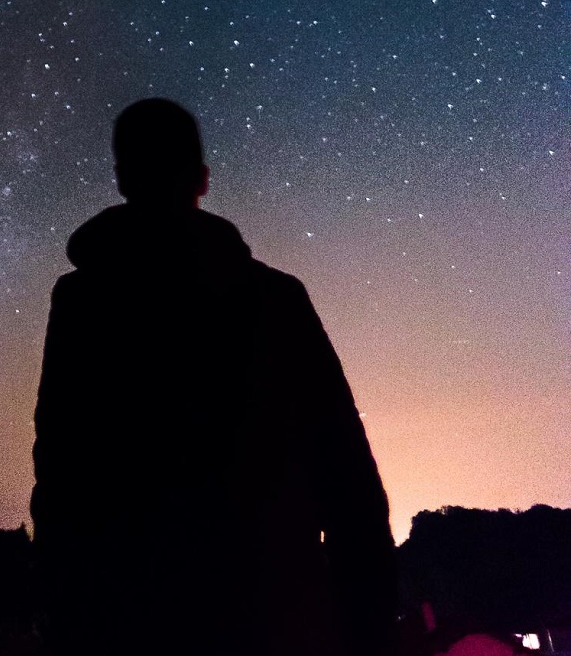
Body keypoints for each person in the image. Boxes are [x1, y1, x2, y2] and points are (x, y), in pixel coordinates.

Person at [31, 99, 397, 656]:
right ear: (202, 178)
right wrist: (368, 621)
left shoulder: (82, 302)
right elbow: (345, 469)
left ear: (122, 178)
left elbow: (60, 466)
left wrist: (64, 608)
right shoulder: (276, 298)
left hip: (124, 618)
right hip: (272, 615)